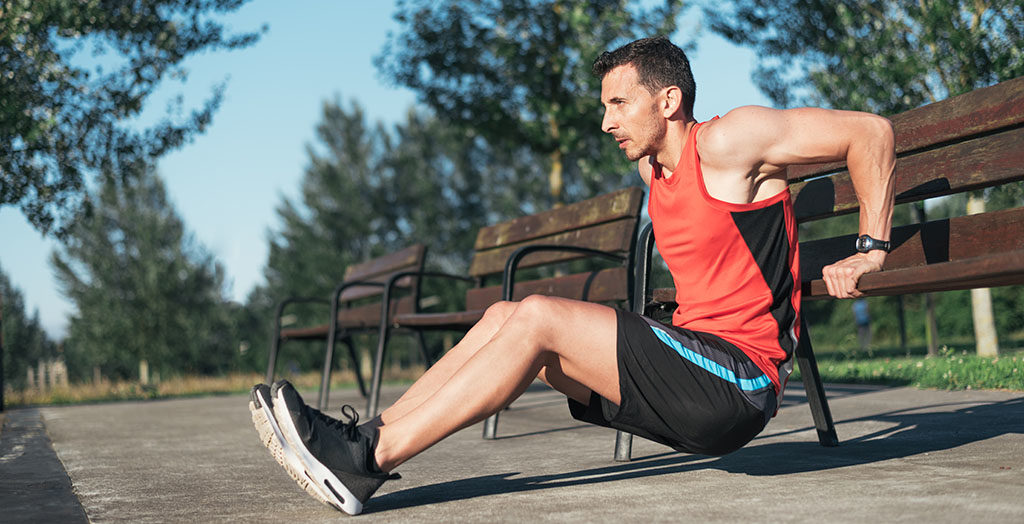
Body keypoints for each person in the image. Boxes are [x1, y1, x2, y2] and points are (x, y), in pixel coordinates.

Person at [247, 36, 896, 515]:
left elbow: (870, 134)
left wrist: (870, 249)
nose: (606, 120)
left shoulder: (730, 143)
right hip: (692, 369)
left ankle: (365, 463)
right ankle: (362, 439)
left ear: (668, 100)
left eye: (619, 103)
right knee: (505, 317)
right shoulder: (652, 173)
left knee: (535, 315)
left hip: (739, 382)